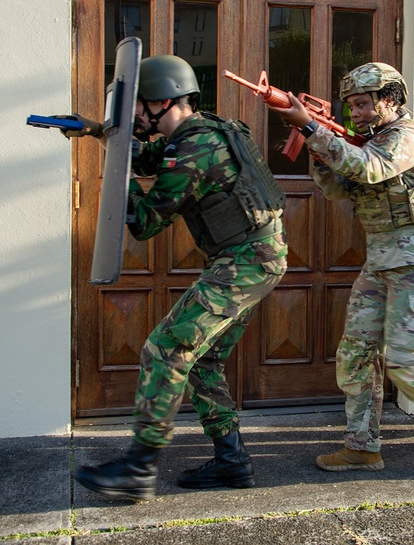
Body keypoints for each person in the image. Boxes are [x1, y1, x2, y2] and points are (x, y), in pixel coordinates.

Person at [68, 55, 288, 500]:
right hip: (253, 257)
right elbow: (150, 157)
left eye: (137, 107)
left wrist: (118, 167)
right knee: (202, 360)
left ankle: (138, 468)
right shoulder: (199, 131)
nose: (132, 117)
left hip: (246, 260)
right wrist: (97, 131)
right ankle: (232, 463)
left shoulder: (194, 147)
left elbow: (145, 222)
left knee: (165, 349)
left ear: (161, 101)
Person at [264, 62, 414, 477]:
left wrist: (315, 131)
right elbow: (337, 188)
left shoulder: (408, 137)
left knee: (408, 362)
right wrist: (316, 145)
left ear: (391, 99)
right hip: (383, 260)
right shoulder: (365, 142)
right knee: (355, 354)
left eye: (365, 104)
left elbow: (370, 168)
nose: (357, 113)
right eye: (351, 106)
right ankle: (362, 447)